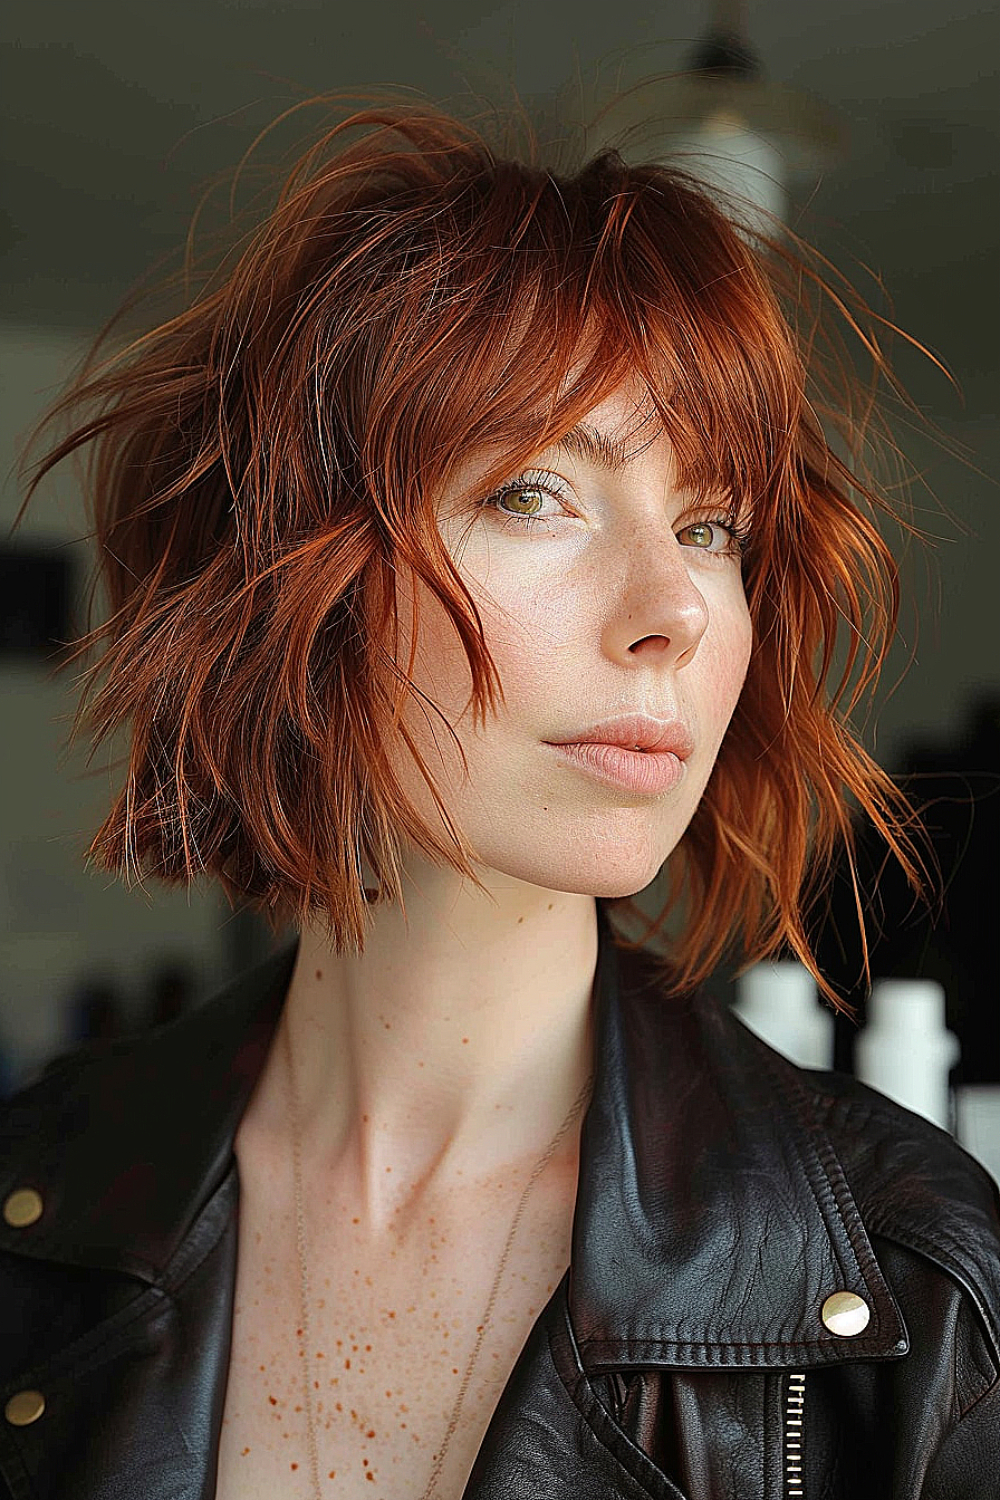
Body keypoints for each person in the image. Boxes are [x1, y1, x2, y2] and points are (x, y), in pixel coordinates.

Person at [2, 89, 998, 1500]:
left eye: (712, 526)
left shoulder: (919, 1289)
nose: (676, 612)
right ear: (293, 577)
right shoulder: (35, 1203)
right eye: (537, 491)